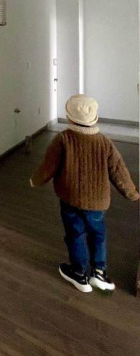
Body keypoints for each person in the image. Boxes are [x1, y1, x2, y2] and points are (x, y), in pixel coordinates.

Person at [30, 94, 139, 293]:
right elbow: (119, 172)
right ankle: (99, 273)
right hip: (97, 202)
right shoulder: (105, 142)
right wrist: (132, 193)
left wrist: (35, 180)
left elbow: (48, 166)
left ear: (69, 117)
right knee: (97, 235)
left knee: (75, 234)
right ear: (95, 118)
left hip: (70, 199)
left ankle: (79, 274)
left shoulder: (63, 139)